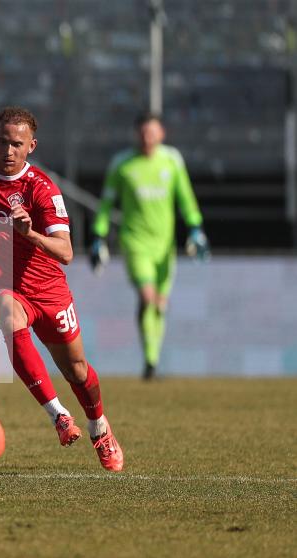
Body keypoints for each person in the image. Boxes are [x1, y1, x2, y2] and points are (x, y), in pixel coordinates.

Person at [0, 106, 123, 472]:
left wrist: (30, 234)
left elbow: (67, 252)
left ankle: (99, 428)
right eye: (2, 142)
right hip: (8, 288)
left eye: (17, 145)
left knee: (77, 370)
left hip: (48, 291)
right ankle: (58, 415)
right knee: (7, 318)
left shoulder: (41, 189)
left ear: (31, 147)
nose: (8, 151)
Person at [91, 112, 209, 380]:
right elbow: (106, 204)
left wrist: (196, 228)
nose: (147, 138)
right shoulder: (122, 164)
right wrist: (98, 235)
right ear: (137, 134)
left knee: (160, 304)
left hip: (165, 246)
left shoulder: (172, 161)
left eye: (152, 132)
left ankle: (151, 357)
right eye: (143, 133)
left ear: (161, 134)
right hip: (135, 242)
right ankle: (151, 361)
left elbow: (186, 198)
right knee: (147, 297)